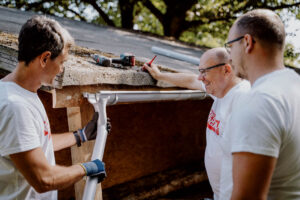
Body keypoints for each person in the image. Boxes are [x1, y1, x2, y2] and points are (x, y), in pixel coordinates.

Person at [0, 16, 109, 199]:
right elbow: (44, 179)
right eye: (62, 62)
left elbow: (35, 145)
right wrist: (86, 168)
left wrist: (81, 135)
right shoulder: (15, 106)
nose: (61, 70)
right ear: (44, 58)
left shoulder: (23, 93)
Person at [144, 47, 250, 199]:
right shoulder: (222, 90)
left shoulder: (243, 101)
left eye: (204, 72)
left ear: (226, 70)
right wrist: (160, 75)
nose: (200, 77)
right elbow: (191, 80)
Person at [221, 9, 300, 200]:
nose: (229, 57)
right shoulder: (293, 84)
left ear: (247, 42)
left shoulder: (261, 102)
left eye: (230, 46)